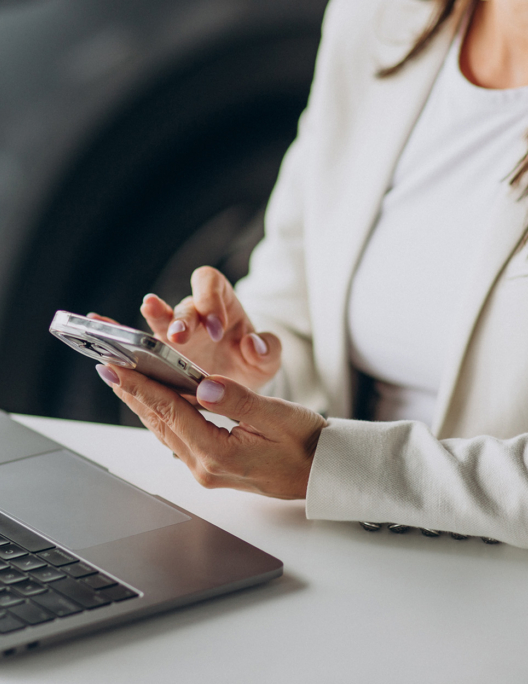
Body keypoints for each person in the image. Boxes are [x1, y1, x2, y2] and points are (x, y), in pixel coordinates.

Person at [93, 0, 528, 548]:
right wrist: (245, 376)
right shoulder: (375, 21)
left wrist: (329, 465)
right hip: (348, 551)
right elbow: (295, 308)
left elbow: (329, 459)